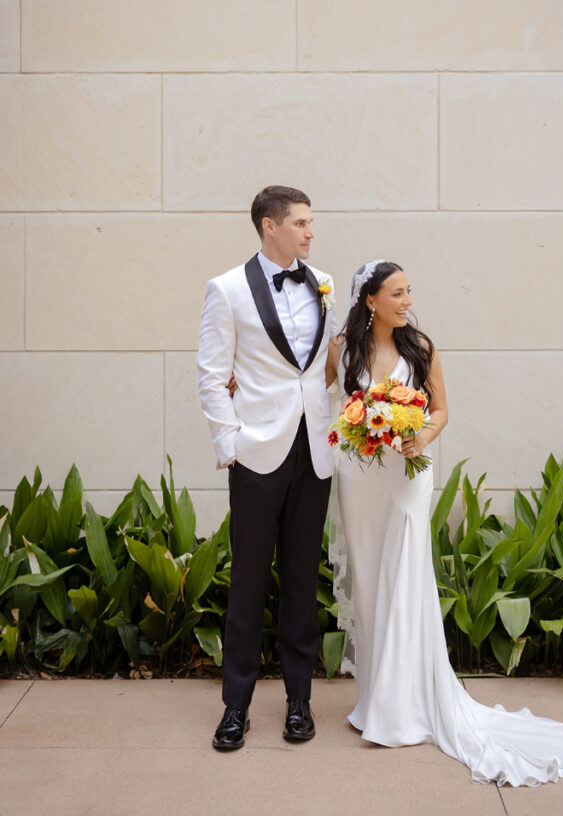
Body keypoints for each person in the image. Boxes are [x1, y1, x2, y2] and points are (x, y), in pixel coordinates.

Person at [326, 259, 563, 786]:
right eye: (397, 293)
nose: (407, 300)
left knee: (405, 577)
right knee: (367, 581)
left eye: (409, 291)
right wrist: (357, 428)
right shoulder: (344, 348)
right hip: (361, 477)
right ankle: (375, 699)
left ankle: (403, 709)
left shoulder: (422, 348)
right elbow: (328, 402)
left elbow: (440, 412)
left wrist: (419, 437)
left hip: (407, 475)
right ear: (370, 300)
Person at [197, 186, 336, 750]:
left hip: (314, 451)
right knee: (249, 584)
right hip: (256, 454)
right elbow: (211, 374)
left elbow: (323, 367)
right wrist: (230, 445)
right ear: (268, 225)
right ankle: (236, 707)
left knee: (303, 580)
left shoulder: (323, 283)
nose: (309, 232)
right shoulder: (227, 289)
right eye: (300, 223)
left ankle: (299, 702)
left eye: (310, 222)